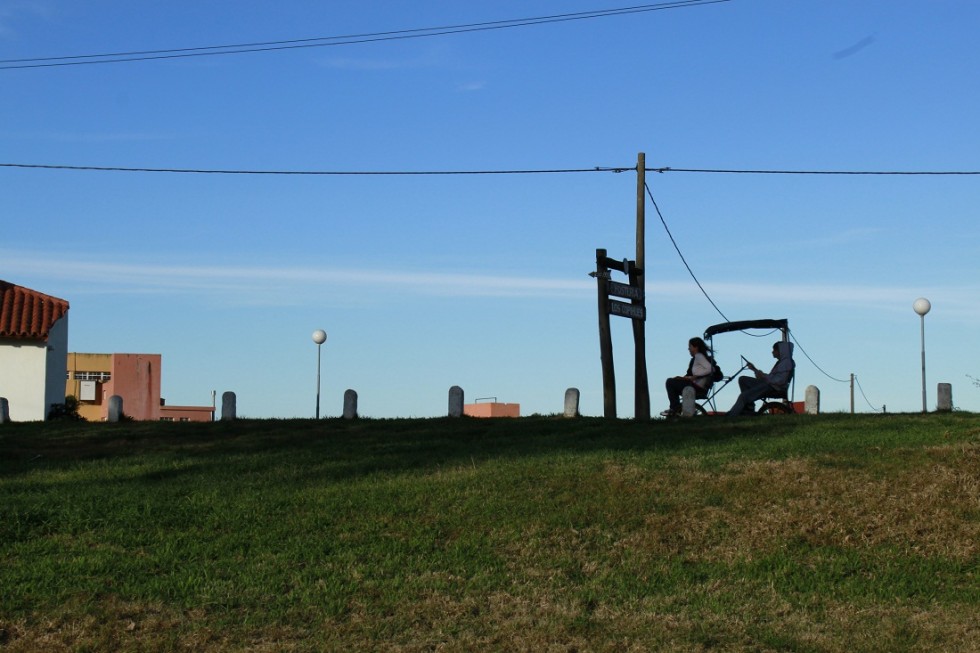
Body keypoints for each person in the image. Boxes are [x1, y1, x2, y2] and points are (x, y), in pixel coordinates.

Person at [726, 341, 795, 416]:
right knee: (743, 379)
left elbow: (779, 381)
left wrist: (763, 376)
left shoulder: (786, 363)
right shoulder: (782, 362)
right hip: (770, 385)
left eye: (774, 350)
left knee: (743, 396)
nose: (772, 352)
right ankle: (749, 405)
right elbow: (772, 378)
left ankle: (732, 415)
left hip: (773, 387)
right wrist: (754, 369)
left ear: (781, 351)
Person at [661, 337, 715, 417]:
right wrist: (686, 378)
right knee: (673, 382)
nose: (688, 349)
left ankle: (674, 408)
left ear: (695, 347)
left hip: (697, 387)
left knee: (669, 382)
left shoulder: (699, 356)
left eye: (690, 346)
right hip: (696, 385)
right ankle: (676, 408)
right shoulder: (699, 357)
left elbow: (711, 369)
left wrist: (695, 376)